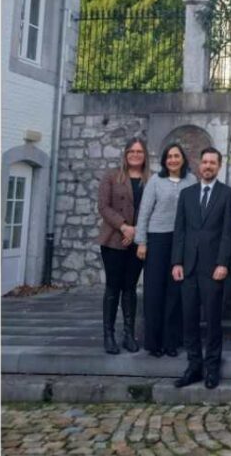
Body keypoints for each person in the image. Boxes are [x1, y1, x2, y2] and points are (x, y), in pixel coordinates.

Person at [171, 147, 231, 389]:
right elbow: (180, 231)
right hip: (188, 267)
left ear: (219, 166)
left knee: (213, 321)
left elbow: (228, 233)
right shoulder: (187, 194)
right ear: (199, 166)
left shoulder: (228, 194)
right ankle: (193, 367)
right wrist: (176, 261)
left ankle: (212, 368)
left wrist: (223, 263)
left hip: (213, 268)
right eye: (205, 162)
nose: (208, 166)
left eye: (212, 163)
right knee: (189, 320)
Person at [135, 143, 197, 358]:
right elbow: (144, 212)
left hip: (181, 241)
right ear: (164, 160)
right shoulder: (155, 181)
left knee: (175, 293)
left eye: (176, 156)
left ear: (183, 159)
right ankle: (154, 342)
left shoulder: (191, 181)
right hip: (157, 239)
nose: (173, 160)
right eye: (169, 156)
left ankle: (172, 341)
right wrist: (141, 241)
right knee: (154, 292)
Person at [96, 136, 150, 355]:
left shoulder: (150, 180)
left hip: (138, 241)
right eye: (132, 152)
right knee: (113, 286)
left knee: (130, 287)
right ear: (125, 154)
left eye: (139, 152)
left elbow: (151, 208)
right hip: (113, 239)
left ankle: (128, 334)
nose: (135, 155)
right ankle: (108, 334)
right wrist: (124, 227)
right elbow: (103, 206)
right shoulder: (111, 176)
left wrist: (136, 231)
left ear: (144, 155)